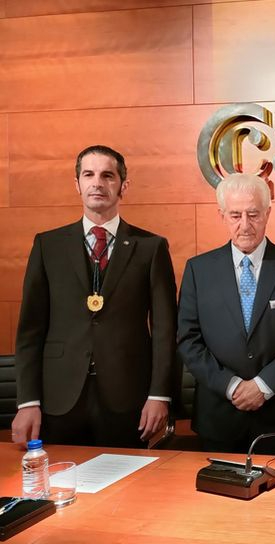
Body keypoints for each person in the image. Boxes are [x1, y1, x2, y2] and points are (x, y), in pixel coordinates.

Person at [12, 145, 178, 448]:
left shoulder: (151, 248)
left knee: (128, 489)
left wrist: (159, 395)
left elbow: (166, 331)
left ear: (123, 186)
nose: (97, 183)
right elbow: (30, 332)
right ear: (77, 184)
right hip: (59, 397)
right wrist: (27, 402)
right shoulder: (48, 246)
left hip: (128, 397)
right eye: (88, 175)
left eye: (107, 175)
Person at [177, 173, 275, 454]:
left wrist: (263, 386)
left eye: (253, 214)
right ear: (222, 216)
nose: (245, 225)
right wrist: (231, 386)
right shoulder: (198, 270)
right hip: (218, 417)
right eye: (235, 215)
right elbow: (188, 340)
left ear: (267, 213)